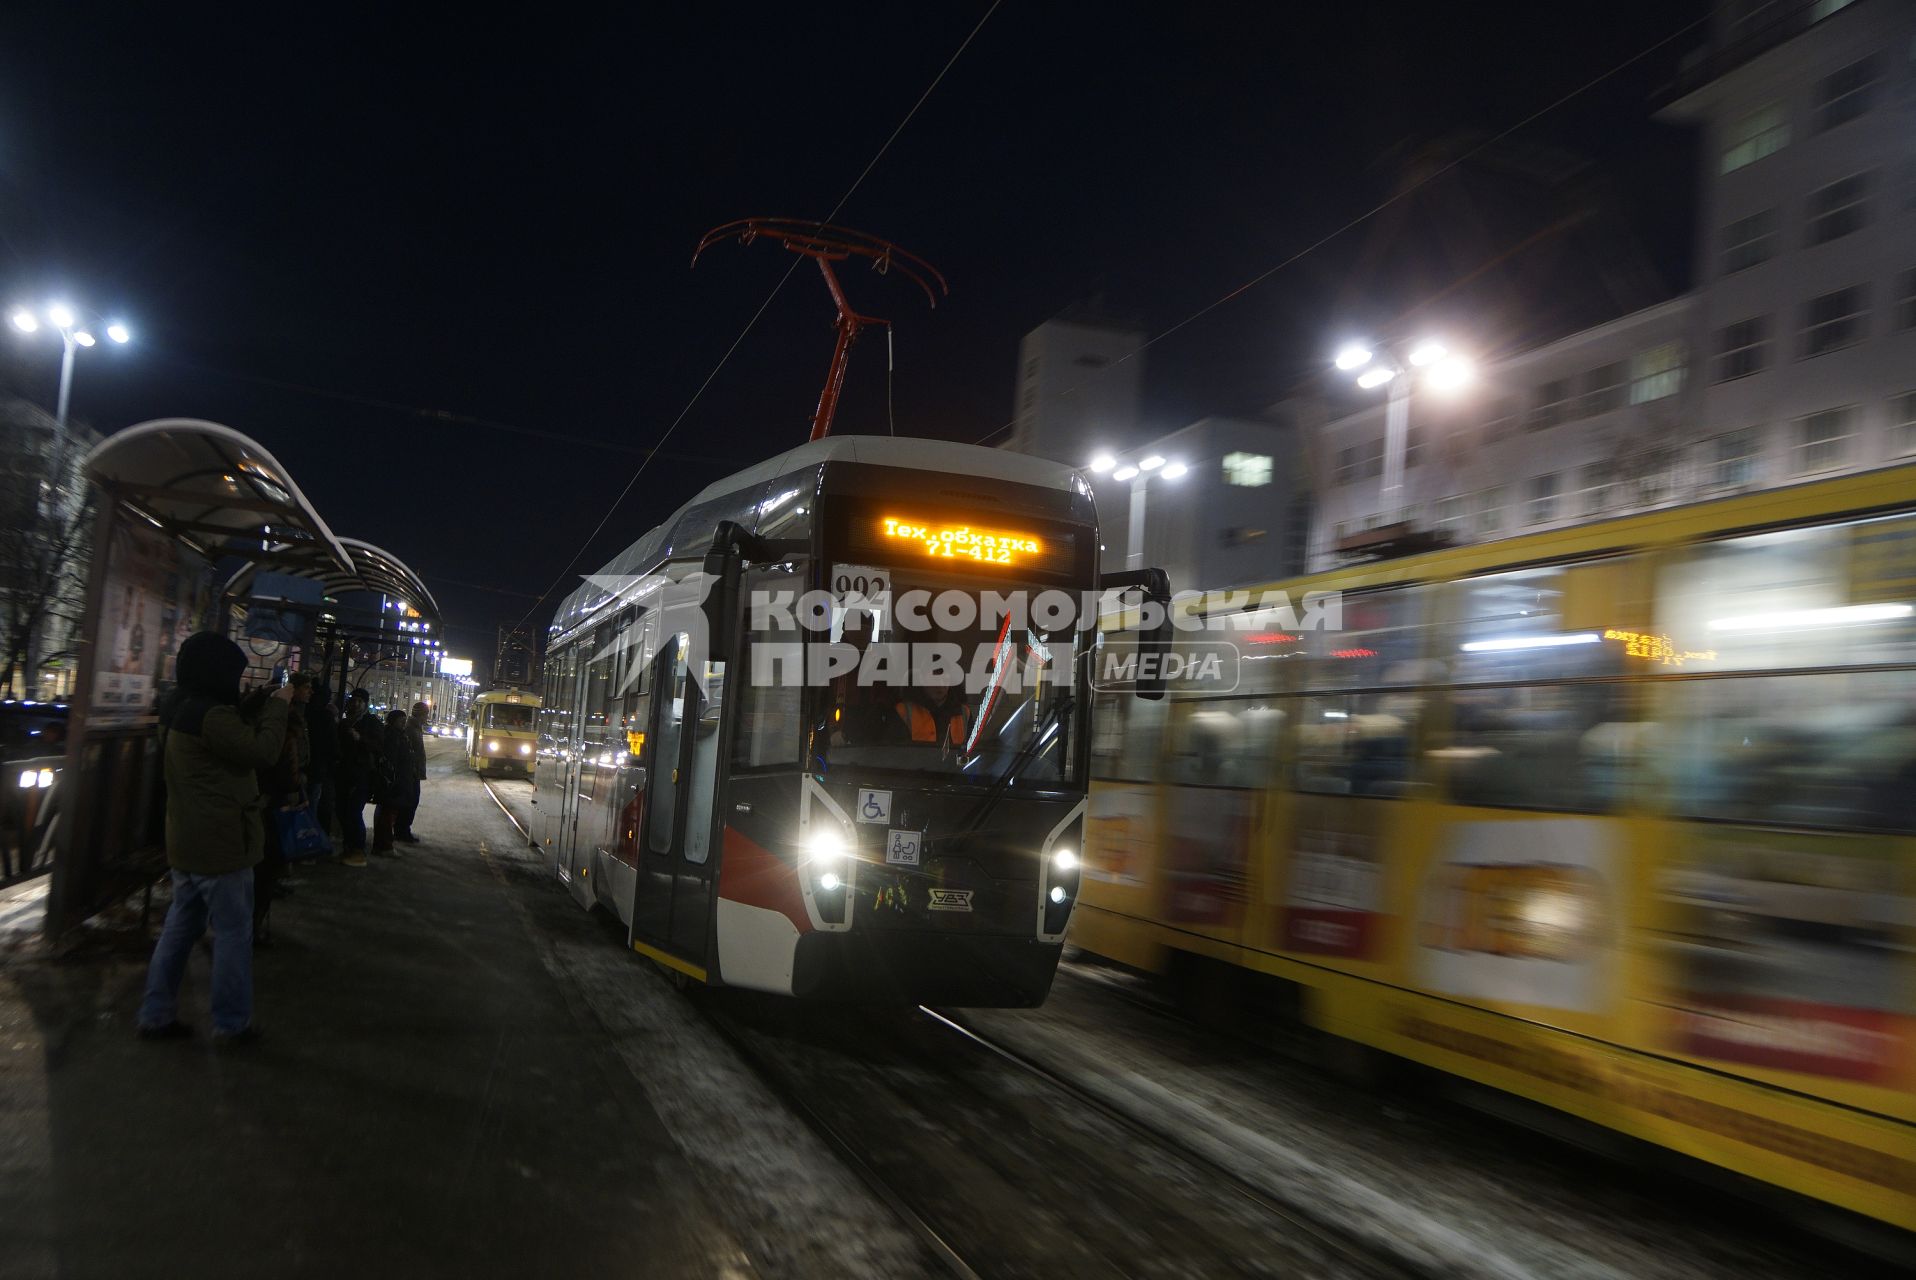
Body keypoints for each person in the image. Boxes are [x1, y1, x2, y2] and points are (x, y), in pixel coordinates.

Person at [136, 632, 293, 1045]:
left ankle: (155, 1015)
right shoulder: (213, 716)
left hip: (184, 839)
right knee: (232, 935)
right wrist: (277, 709)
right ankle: (231, 1023)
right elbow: (261, 752)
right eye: (233, 674)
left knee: (178, 930)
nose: (236, 682)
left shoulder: (176, 704)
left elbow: (215, 746)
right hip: (221, 844)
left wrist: (249, 706)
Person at [336, 688, 380, 867]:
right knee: (342, 811)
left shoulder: (371, 722)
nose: (356, 704)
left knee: (354, 812)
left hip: (362, 775)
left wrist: (360, 738)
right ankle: (348, 847)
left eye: (360, 701)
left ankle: (358, 851)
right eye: (353, 700)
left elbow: (378, 746)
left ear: (366, 704)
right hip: (343, 774)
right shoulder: (345, 722)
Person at [371, 708, 411, 857]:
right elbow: (393, 761)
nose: (404, 724)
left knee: (387, 813)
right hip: (393, 782)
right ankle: (384, 846)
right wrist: (394, 780)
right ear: (393, 721)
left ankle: (382, 844)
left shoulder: (395, 734)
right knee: (388, 814)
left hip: (394, 781)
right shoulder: (393, 736)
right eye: (401, 721)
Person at [305, 679, 339, 847]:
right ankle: (313, 844)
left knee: (305, 807)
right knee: (315, 807)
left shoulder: (303, 711)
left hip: (303, 768)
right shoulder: (325, 716)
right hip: (318, 770)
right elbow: (333, 746)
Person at [894, 681, 968, 751]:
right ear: (923, 681)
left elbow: (973, 750)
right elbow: (896, 752)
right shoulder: (904, 710)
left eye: (945, 679)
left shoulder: (964, 712)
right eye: (935, 680)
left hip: (955, 763)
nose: (940, 685)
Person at [394, 701, 428, 843]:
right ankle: (402, 832)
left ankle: (403, 830)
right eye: (426, 714)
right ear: (421, 714)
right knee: (409, 802)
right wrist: (414, 769)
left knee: (411, 802)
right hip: (410, 773)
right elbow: (409, 751)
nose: (427, 717)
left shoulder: (416, 727)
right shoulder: (411, 729)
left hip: (414, 772)